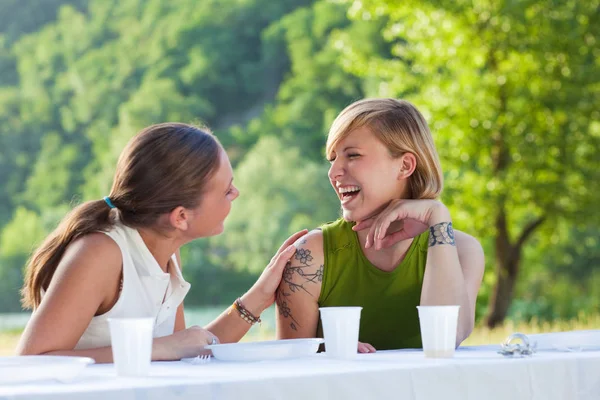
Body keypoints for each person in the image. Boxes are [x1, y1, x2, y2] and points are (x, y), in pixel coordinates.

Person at [16, 122, 307, 362]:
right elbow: (30, 361)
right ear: (180, 217)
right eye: (226, 189)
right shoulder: (100, 253)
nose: (236, 194)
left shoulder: (167, 253)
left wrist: (259, 296)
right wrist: (163, 348)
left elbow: (186, 353)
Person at [275, 98, 485, 352]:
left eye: (353, 155)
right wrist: (324, 352)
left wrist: (438, 216)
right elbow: (290, 370)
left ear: (405, 165)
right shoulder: (310, 255)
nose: (333, 172)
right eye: (332, 158)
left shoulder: (463, 251)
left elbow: (445, 339)